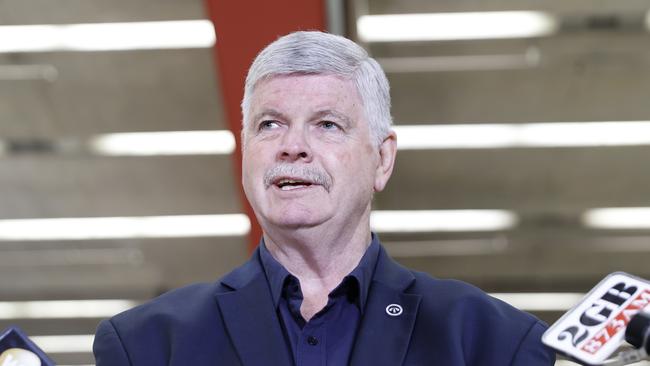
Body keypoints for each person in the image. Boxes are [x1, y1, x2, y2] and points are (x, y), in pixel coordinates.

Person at [93, 31, 555, 365]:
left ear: (382, 159)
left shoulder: (493, 341)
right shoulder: (147, 345)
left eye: (327, 124)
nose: (292, 146)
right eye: (269, 124)